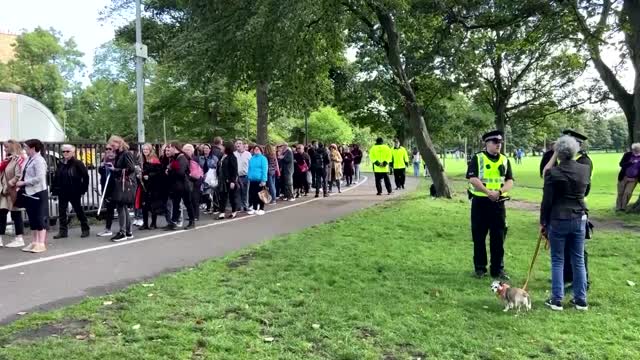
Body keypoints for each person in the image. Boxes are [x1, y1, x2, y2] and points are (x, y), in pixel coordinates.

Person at [540, 135, 590, 311]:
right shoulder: (584, 169)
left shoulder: (553, 173)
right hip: (579, 217)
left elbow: (547, 200)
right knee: (578, 260)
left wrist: (543, 221)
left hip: (559, 218)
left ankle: (557, 299)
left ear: (558, 153)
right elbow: (586, 191)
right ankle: (581, 299)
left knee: (558, 260)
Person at [467, 130, 513, 280]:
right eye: (495, 142)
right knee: (479, 237)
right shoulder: (478, 158)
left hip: (498, 204)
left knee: (498, 238)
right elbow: (473, 179)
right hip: (481, 203)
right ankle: (480, 268)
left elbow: (510, 181)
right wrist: (488, 192)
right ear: (486, 143)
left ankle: (497, 269)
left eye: (500, 142)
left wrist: (499, 192)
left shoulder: (505, 160)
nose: (498, 145)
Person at [16, 139, 49, 253]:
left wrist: (24, 183)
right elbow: (23, 173)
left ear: (33, 148)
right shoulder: (28, 160)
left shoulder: (39, 160)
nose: (24, 149)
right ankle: (34, 241)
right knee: (32, 218)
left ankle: (41, 243)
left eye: (26, 147)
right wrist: (19, 183)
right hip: (28, 192)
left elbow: (40, 178)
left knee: (40, 217)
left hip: (38, 192)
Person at [52, 144, 90, 239]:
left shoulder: (78, 163)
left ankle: (85, 228)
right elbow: (57, 177)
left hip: (74, 191)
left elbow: (86, 177)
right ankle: (63, 231)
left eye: (67, 151)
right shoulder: (61, 163)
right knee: (62, 211)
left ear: (73, 152)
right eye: (63, 151)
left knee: (78, 210)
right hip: (62, 191)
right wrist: (54, 188)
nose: (65, 153)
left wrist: (83, 189)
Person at [108, 136, 137, 242]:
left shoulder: (126, 153)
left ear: (119, 143)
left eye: (113, 145)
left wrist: (115, 169)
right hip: (122, 183)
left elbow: (131, 168)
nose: (112, 147)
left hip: (125, 184)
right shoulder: (120, 154)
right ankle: (127, 231)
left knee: (121, 206)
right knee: (123, 206)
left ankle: (123, 232)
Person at [0, 140, 26, 248]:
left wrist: (10, 184)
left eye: (6, 147)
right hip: (3, 191)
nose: (4, 149)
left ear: (12, 147)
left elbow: (18, 175)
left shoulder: (18, 159)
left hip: (12, 191)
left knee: (16, 214)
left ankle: (19, 238)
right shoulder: (6, 160)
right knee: (1, 214)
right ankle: (0, 238)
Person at [166, 142, 195, 230]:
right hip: (177, 186)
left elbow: (181, 172)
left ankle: (192, 221)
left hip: (184, 185)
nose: (168, 150)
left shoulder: (181, 158)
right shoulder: (176, 158)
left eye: (170, 148)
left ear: (174, 148)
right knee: (176, 204)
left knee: (188, 203)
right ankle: (174, 222)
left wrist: (170, 171)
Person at [138, 144, 163, 230]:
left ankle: (153, 223)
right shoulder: (143, 159)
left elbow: (159, 172)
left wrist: (149, 176)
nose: (145, 151)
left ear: (150, 150)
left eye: (146, 149)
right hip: (144, 185)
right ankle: (145, 223)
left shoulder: (155, 160)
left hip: (153, 185)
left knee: (153, 205)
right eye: (143, 149)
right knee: (144, 204)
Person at [97, 146, 117, 237]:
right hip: (105, 186)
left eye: (110, 149)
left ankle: (125, 229)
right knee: (109, 208)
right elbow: (101, 172)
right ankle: (108, 229)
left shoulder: (117, 160)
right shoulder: (104, 159)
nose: (108, 151)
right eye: (107, 149)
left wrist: (113, 169)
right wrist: (101, 167)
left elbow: (119, 172)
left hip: (115, 187)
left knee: (120, 208)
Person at [217, 142, 240, 219]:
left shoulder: (232, 157)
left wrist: (233, 181)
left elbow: (234, 170)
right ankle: (222, 213)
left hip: (229, 180)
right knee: (222, 196)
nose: (221, 148)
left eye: (223, 147)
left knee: (232, 196)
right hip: (222, 180)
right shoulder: (222, 156)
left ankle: (234, 211)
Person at [616, 143, 640, 211]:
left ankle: (623, 207)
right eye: (635, 150)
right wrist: (630, 162)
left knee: (628, 193)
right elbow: (621, 164)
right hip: (624, 177)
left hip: (633, 179)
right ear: (632, 150)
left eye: (638, 150)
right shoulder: (627, 155)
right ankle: (618, 207)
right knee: (620, 193)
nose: (636, 151)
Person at [183, 144, 203, 221]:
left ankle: (196, 216)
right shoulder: (185, 158)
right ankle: (192, 215)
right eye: (185, 150)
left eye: (188, 150)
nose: (186, 151)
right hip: (190, 180)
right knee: (190, 198)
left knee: (195, 198)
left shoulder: (195, 158)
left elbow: (197, 170)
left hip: (196, 180)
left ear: (192, 151)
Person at [247, 145, 269, 215]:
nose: (256, 150)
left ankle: (261, 208)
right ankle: (254, 208)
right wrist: (249, 176)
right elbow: (249, 169)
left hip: (260, 180)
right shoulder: (252, 158)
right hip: (252, 180)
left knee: (261, 194)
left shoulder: (263, 158)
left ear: (260, 150)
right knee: (253, 195)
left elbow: (265, 170)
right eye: (255, 149)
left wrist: (264, 180)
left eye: (257, 149)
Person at [198, 144, 219, 214]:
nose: (205, 150)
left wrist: (211, 172)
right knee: (206, 193)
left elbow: (217, 167)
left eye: (207, 148)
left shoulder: (214, 158)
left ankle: (216, 208)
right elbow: (199, 167)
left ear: (210, 150)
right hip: (203, 178)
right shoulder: (200, 158)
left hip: (212, 177)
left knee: (213, 192)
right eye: (204, 148)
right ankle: (208, 207)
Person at [234, 140, 251, 211]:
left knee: (245, 191)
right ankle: (238, 206)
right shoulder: (234, 154)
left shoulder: (248, 154)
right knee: (237, 192)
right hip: (237, 176)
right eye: (237, 143)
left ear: (243, 145)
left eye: (240, 143)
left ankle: (245, 206)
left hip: (246, 176)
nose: (238, 145)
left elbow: (251, 165)